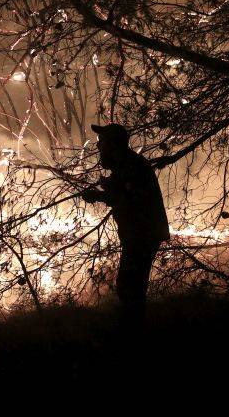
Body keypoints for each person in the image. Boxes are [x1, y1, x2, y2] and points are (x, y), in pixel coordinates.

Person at [81, 123, 170, 330]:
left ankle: (133, 335)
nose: (98, 147)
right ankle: (133, 331)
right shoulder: (124, 165)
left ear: (112, 145)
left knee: (130, 287)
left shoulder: (131, 167)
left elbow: (132, 198)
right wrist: (107, 190)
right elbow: (123, 194)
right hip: (139, 234)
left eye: (101, 142)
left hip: (143, 234)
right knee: (130, 286)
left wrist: (100, 195)